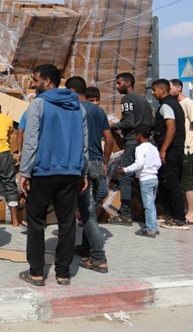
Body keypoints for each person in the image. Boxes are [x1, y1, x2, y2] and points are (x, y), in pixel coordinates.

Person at [18, 64, 87, 287]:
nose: (33, 84)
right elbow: (83, 143)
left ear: (47, 82)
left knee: (36, 222)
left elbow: (31, 141)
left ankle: (37, 272)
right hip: (70, 173)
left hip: (43, 172)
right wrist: (82, 171)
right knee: (67, 223)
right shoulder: (79, 107)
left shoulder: (38, 105)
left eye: (35, 80)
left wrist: (24, 172)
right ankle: (63, 273)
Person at [66, 77, 112, 273]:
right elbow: (109, 140)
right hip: (97, 164)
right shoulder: (98, 110)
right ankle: (85, 248)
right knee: (89, 210)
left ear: (72, 90)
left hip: (82, 165)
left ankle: (99, 258)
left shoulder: (73, 110)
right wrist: (105, 162)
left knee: (88, 214)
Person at [110, 72, 154, 226]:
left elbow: (129, 122)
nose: (117, 86)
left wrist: (113, 127)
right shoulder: (144, 100)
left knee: (124, 176)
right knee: (142, 177)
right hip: (146, 143)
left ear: (128, 84)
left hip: (132, 142)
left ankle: (126, 215)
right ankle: (143, 212)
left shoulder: (127, 99)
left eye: (119, 83)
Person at [150, 79, 188, 230]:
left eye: (154, 90)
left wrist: (163, 150)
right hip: (174, 148)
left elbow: (170, 129)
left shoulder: (166, 105)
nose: (152, 93)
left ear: (162, 90)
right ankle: (169, 215)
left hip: (171, 150)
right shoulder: (173, 103)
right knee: (166, 183)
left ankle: (179, 219)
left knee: (172, 184)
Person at [118, 125, 161, 237]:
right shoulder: (153, 147)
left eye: (135, 135)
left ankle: (150, 230)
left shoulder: (139, 148)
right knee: (151, 204)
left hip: (145, 179)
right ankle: (153, 226)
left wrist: (125, 170)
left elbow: (139, 164)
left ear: (139, 136)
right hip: (154, 178)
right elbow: (159, 163)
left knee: (148, 205)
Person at [169, 79, 193, 223]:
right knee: (186, 181)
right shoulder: (177, 104)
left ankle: (191, 214)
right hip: (181, 147)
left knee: (187, 182)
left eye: (170, 88)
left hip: (188, 148)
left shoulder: (189, 103)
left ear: (178, 87)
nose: (169, 90)